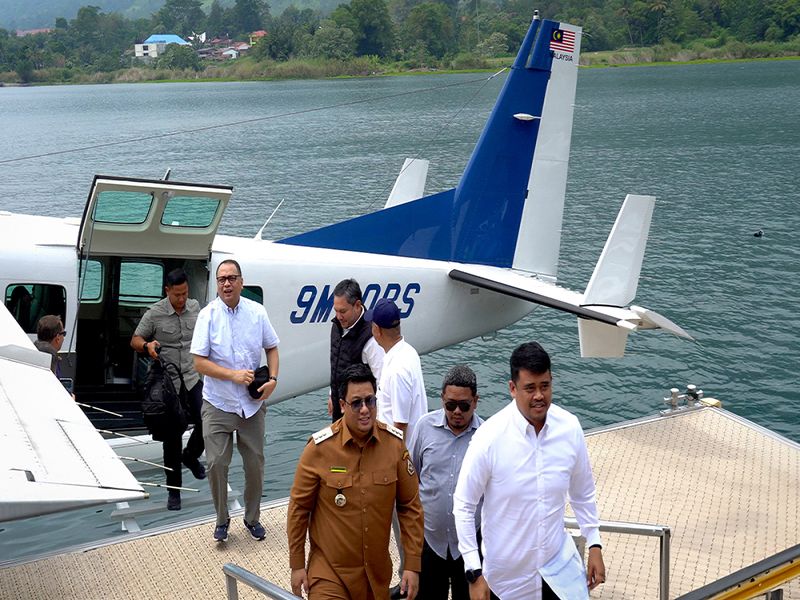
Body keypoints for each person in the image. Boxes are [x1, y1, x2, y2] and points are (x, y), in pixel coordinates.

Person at [453, 342, 606, 600]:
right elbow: (464, 505)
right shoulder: (489, 438)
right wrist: (474, 572)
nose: (539, 395)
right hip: (506, 584)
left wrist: (594, 543)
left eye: (545, 386)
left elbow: (582, 493)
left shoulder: (570, 428)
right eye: (530, 388)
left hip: (558, 573)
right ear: (512, 389)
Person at [287, 363, 424, 600]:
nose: (365, 410)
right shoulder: (318, 450)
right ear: (342, 405)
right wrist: (297, 564)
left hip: (376, 577)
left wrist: (412, 564)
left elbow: (410, 507)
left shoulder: (394, 446)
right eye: (356, 403)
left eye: (370, 401)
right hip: (329, 574)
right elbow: (299, 510)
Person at [191, 259, 280, 542]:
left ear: (241, 281)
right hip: (218, 402)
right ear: (217, 285)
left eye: (231, 278)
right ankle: (221, 520)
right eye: (221, 279)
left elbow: (272, 347)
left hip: (251, 405)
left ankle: (252, 518)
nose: (226, 283)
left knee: (255, 464)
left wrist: (273, 380)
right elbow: (199, 363)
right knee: (216, 463)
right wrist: (232, 375)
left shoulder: (257, 312)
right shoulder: (208, 316)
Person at [367, 297, 428, 596]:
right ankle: (410, 581)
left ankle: (411, 586)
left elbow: (400, 426)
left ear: (376, 330)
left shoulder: (396, 370)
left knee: (404, 527)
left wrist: (388, 470)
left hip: (401, 462)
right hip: (406, 458)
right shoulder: (408, 353)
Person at [131, 268, 205, 511]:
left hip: (193, 377)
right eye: (177, 295)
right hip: (168, 383)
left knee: (208, 418)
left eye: (185, 294)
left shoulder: (195, 308)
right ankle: (174, 491)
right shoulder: (155, 313)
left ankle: (191, 455)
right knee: (171, 438)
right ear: (167, 292)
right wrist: (148, 345)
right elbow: (135, 340)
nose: (182, 299)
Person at [407, 365, 483, 600]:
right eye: (450, 405)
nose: (456, 411)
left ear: (476, 401)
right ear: (442, 399)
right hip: (429, 541)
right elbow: (413, 477)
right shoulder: (424, 428)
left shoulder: (486, 437)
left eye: (464, 405)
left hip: (471, 544)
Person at [329, 278, 384, 422]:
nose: (338, 316)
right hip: (339, 406)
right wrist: (332, 394)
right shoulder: (336, 326)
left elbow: (380, 380)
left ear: (357, 305)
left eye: (343, 311)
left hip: (361, 414)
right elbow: (336, 363)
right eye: (336, 311)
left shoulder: (371, 338)